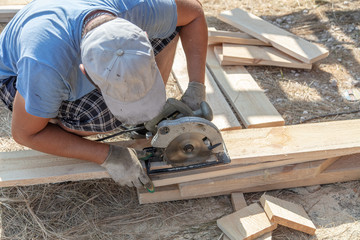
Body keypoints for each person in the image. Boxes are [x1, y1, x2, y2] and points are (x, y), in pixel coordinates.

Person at [0, 0, 207, 188]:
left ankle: (146, 114)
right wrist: (109, 155)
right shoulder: (45, 68)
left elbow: (194, 14)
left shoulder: (138, 7)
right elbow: (25, 134)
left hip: (61, 31)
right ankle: (57, 120)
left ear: (142, 36)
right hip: (15, 76)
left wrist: (196, 88)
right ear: (84, 71)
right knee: (102, 118)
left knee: (171, 28)